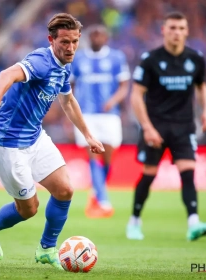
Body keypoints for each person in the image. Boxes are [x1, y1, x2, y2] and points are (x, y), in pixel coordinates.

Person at [0, 13, 104, 270]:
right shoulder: (41, 61)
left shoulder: (65, 64)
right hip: (8, 143)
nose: (71, 47)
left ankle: (46, 249)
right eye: (65, 42)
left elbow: (67, 100)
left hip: (35, 137)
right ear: (51, 40)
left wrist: (88, 134)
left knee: (65, 190)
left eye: (75, 41)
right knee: (28, 209)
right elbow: (6, 75)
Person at [126, 11, 206, 241]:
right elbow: (136, 95)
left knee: (188, 173)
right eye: (172, 28)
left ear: (187, 31)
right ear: (163, 30)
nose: (176, 32)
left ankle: (193, 222)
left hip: (183, 127)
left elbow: (202, 86)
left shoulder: (196, 58)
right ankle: (134, 220)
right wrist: (147, 127)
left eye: (181, 28)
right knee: (149, 174)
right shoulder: (150, 59)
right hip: (155, 126)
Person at [70, 24, 130, 218]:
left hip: (110, 114)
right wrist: (73, 109)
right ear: (89, 38)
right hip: (86, 115)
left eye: (100, 35)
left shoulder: (116, 57)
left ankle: (95, 193)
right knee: (94, 155)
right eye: (93, 35)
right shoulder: (78, 59)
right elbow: (69, 86)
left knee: (108, 157)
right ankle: (104, 202)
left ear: (106, 38)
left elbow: (123, 87)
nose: (97, 38)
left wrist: (112, 101)